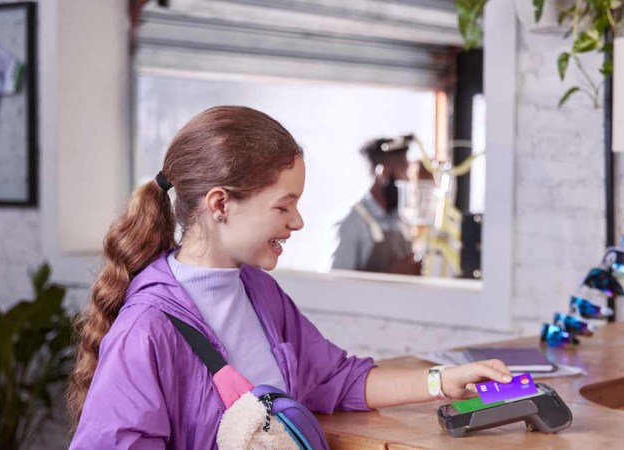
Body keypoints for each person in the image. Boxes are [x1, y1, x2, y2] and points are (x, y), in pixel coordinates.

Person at [67, 107, 510, 448]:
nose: (297, 222)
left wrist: (441, 380)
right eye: (283, 205)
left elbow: (337, 378)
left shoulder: (259, 292)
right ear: (220, 204)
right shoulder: (146, 330)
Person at [331, 135, 422, 275]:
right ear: (383, 172)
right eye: (403, 171)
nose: (407, 180)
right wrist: (393, 274)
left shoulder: (401, 219)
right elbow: (336, 286)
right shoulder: (352, 223)